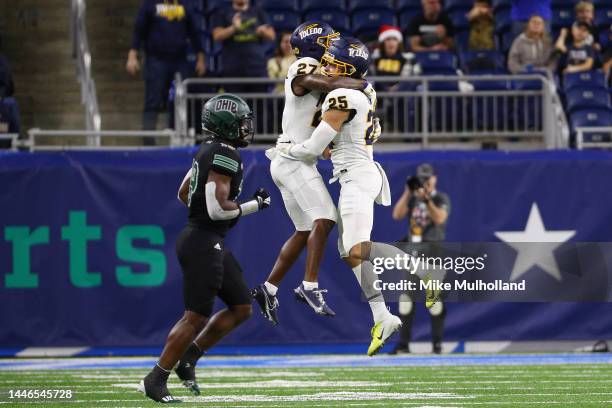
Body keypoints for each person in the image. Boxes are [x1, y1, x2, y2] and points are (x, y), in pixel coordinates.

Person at [279, 38, 443, 356]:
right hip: (353, 174)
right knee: (349, 253)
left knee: (356, 248)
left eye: (331, 63)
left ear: (347, 69)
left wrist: (287, 148)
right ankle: (382, 316)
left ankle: (425, 271)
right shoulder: (359, 93)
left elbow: (314, 149)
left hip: (357, 177)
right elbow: (330, 145)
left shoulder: (342, 96)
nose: (324, 67)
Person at [138, 94, 271, 403]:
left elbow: (184, 192)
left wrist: (206, 216)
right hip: (203, 239)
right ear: (225, 125)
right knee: (195, 316)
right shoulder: (224, 153)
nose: (246, 129)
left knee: (241, 306)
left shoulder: (208, 150)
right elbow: (217, 209)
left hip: (205, 238)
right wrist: (256, 204)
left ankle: (189, 357)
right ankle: (156, 378)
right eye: (241, 123)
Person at [252, 22, 377, 325]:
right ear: (311, 46)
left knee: (305, 230)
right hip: (293, 157)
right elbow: (323, 83)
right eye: (326, 41)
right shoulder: (305, 65)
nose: (331, 47)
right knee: (327, 218)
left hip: (294, 157)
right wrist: (358, 83)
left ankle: (268, 288)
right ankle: (309, 286)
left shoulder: (323, 70)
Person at [390, 163, 451, 354]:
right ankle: (403, 344)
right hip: (414, 254)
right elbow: (397, 214)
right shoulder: (412, 199)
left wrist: (427, 201)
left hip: (433, 254)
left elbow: (440, 218)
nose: (425, 182)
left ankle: (437, 345)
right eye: (422, 179)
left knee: (434, 301)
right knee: (406, 300)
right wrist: (408, 193)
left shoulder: (440, 198)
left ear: (434, 179)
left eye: (428, 178)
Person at [127, 0, 206, 143]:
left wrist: (201, 57)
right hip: (156, 60)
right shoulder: (150, 4)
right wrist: (132, 55)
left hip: (179, 60)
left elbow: (194, 32)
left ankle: (186, 138)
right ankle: (148, 142)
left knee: (185, 99)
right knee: (152, 100)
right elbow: (139, 30)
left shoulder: (185, 5)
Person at [212, 0, 275, 94]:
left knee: (258, 106)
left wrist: (262, 31)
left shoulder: (259, 12)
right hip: (232, 69)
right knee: (236, 105)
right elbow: (217, 36)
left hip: (257, 68)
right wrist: (233, 28)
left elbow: (272, 35)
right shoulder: (223, 12)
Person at [370, 25, 416, 92]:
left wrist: (398, 87)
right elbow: (371, 78)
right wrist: (384, 88)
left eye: (394, 39)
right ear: (383, 43)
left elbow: (413, 79)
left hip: (402, 95)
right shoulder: (374, 59)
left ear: (399, 43)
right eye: (388, 39)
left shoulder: (408, 59)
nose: (391, 43)